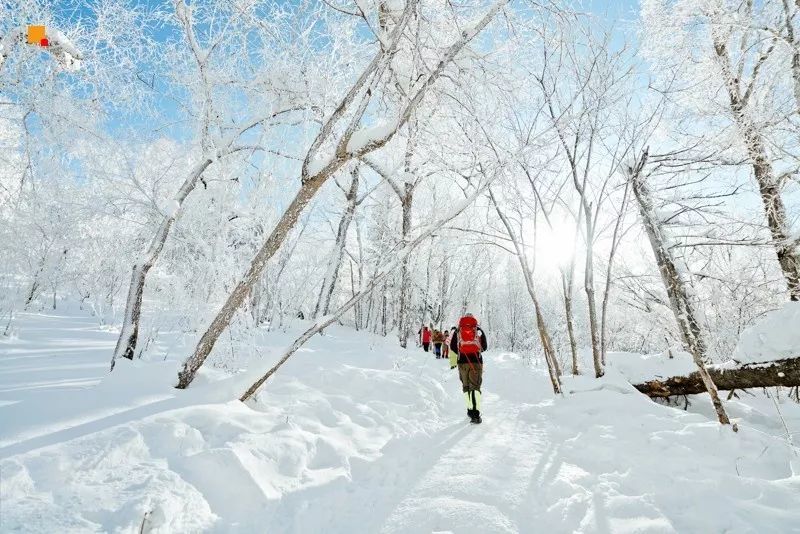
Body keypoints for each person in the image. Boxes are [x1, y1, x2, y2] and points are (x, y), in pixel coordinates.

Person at [449, 313, 487, 424]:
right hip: (476, 362)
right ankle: (475, 415)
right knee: (475, 387)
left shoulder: (458, 330)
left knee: (466, 387)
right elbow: (484, 347)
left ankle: (470, 410)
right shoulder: (478, 330)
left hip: (462, 362)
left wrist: (462, 352)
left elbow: (452, 347)